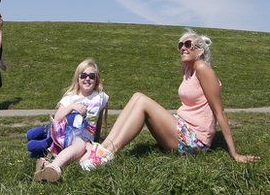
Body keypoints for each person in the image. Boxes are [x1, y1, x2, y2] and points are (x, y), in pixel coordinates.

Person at [78, 30, 260, 171]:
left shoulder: (203, 68)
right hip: (182, 128)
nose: (183, 48)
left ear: (200, 50)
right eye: (180, 45)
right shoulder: (189, 71)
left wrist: (234, 153)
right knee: (137, 96)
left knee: (142, 102)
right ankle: (102, 149)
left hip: (194, 140)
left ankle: (107, 154)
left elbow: (219, 111)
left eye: (188, 44)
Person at [31, 59, 110, 182]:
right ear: (77, 79)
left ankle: (44, 166)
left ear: (96, 79)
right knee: (80, 145)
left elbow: (97, 120)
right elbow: (57, 118)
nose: (87, 79)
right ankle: (55, 166)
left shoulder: (100, 98)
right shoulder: (71, 97)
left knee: (91, 156)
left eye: (91, 76)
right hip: (68, 134)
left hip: (86, 138)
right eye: (83, 75)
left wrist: (96, 139)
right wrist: (72, 107)